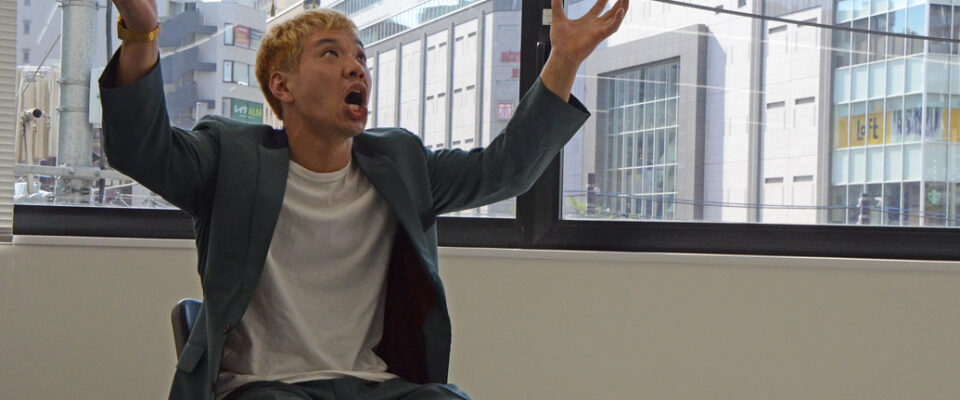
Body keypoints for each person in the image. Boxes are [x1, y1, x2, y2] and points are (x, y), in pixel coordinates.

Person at [100, 0, 628, 399]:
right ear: (281, 86)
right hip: (264, 388)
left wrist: (564, 58)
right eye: (331, 54)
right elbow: (142, 150)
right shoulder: (231, 157)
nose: (356, 68)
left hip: (374, 385)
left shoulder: (400, 162)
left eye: (360, 57)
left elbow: (505, 170)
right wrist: (142, 29)